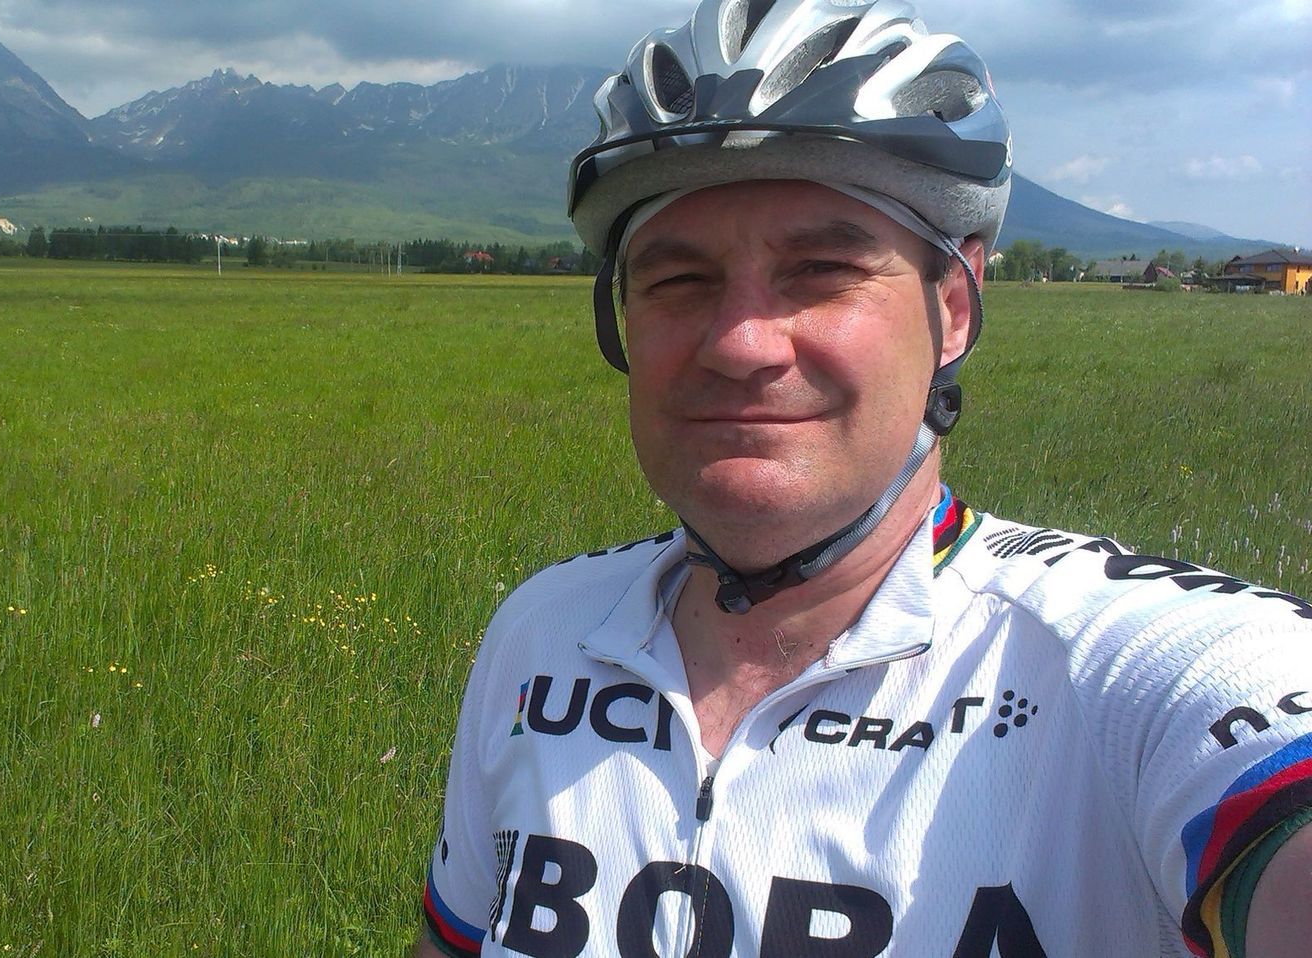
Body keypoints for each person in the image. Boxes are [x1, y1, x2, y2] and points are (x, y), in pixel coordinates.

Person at [415, 1, 1312, 955]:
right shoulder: (542, 634)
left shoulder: (1130, 672)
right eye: (679, 281)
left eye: (822, 270)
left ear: (954, 307)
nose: (741, 344)